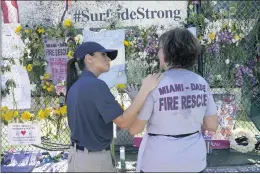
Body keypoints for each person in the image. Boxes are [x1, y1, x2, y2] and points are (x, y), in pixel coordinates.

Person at [128, 28, 218, 172]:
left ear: (166, 53)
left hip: (158, 161)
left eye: (160, 49)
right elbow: (212, 125)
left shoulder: (154, 83)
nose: (157, 53)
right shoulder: (201, 83)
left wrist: (136, 103)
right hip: (194, 161)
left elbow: (134, 129)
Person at [65, 41, 163, 172]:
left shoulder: (77, 85)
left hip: (79, 158)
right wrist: (144, 91)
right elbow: (123, 122)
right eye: (103, 55)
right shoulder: (95, 85)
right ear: (89, 59)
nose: (108, 59)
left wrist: (136, 100)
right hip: (93, 162)